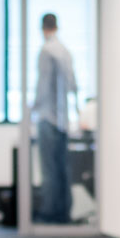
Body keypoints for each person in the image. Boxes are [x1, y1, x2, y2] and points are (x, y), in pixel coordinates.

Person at [31, 12, 77, 223]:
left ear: (43, 28)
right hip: (63, 120)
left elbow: (42, 87)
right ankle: (64, 212)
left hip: (48, 118)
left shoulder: (46, 51)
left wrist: (32, 110)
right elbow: (72, 85)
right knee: (63, 169)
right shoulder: (65, 51)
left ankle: (49, 212)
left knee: (49, 169)